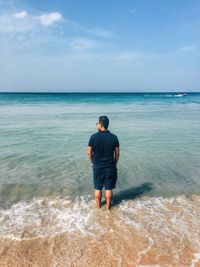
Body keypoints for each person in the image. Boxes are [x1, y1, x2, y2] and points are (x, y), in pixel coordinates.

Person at [88, 116, 120, 209]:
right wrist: (115, 163)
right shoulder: (114, 137)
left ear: (101, 125)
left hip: (97, 167)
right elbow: (117, 154)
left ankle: (98, 207)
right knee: (108, 188)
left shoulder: (93, 137)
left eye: (97, 123)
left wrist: (92, 162)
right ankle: (108, 208)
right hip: (110, 167)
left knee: (98, 188)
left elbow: (89, 152)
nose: (96, 124)